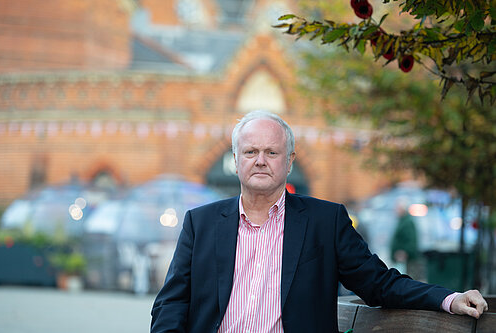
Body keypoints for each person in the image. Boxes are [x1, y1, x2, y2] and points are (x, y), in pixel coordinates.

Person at [151, 110, 488, 333]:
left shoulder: (325, 221)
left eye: (272, 152)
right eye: (251, 152)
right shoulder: (202, 222)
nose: (260, 161)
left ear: (289, 161)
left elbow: (379, 283)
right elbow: (172, 301)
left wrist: (448, 298)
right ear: (236, 160)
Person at [390, 198, 420, 278]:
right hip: (401, 258)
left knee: (406, 279)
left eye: (397, 208)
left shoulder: (407, 222)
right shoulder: (402, 220)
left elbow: (411, 240)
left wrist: (405, 251)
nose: (395, 210)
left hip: (405, 258)